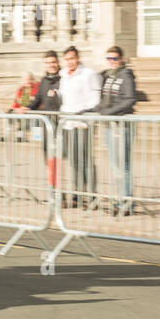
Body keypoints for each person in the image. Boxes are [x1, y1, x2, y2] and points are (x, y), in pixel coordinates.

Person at [95, 45, 139, 215]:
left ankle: (126, 202)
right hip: (110, 125)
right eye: (109, 58)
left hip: (122, 125)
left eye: (114, 58)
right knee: (115, 166)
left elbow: (129, 99)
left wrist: (107, 112)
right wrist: (97, 110)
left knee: (123, 166)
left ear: (121, 59)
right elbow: (104, 100)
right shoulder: (108, 75)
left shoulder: (126, 75)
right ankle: (121, 198)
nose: (111, 62)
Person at [58, 45, 102, 209]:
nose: (70, 62)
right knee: (73, 161)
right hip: (68, 123)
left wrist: (86, 117)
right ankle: (77, 193)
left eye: (72, 59)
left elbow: (95, 99)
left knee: (86, 160)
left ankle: (91, 195)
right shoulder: (64, 75)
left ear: (78, 58)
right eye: (67, 59)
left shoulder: (88, 74)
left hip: (83, 122)